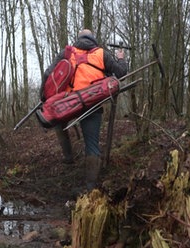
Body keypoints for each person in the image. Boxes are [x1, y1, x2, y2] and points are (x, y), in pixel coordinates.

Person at [40, 29, 128, 190]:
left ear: (78, 39)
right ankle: (90, 186)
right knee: (92, 143)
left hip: (68, 103)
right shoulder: (102, 53)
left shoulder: (67, 53)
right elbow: (121, 73)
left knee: (58, 121)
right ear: (93, 39)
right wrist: (121, 59)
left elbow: (48, 75)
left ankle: (68, 157)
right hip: (92, 102)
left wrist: (44, 98)